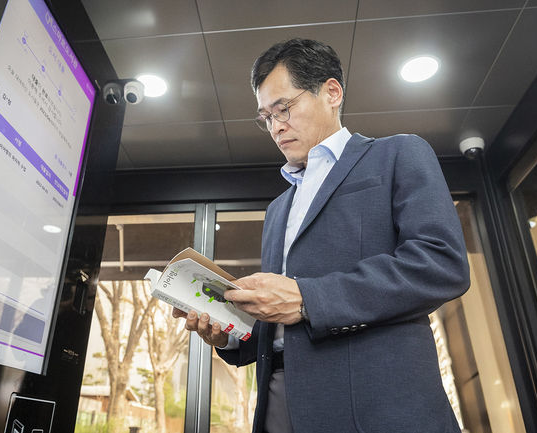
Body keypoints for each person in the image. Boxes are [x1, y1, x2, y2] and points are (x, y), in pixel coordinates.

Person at [173, 38, 470, 433]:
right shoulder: (278, 209)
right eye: (266, 117)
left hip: (375, 404)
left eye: (284, 108)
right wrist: (227, 333)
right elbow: (278, 323)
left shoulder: (398, 154)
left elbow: (441, 264)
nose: (276, 126)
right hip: (278, 403)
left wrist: (308, 298)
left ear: (332, 93)